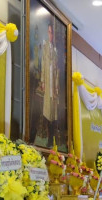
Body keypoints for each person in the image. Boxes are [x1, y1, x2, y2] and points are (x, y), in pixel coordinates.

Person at [40, 19, 59, 147]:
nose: (50, 35)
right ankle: (47, 137)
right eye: (49, 32)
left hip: (54, 82)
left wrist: (57, 84)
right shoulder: (45, 45)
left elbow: (57, 68)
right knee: (47, 110)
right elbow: (43, 64)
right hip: (47, 80)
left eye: (52, 33)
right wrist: (42, 81)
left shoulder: (56, 49)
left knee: (54, 111)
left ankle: (53, 137)